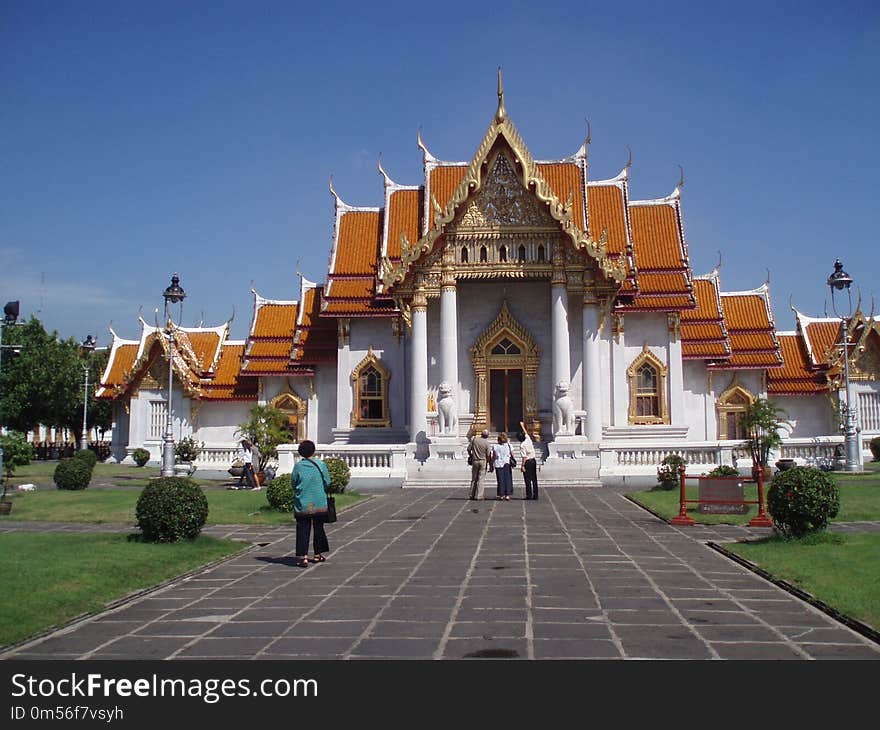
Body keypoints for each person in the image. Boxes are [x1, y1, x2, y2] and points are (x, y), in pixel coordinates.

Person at [292, 439, 330, 568]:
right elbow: (327, 482)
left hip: (303, 502)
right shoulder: (320, 464)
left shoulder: (298, 466)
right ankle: (317, 554)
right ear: (313, 451)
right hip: (318, 501)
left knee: (303, 529)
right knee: (319, 528)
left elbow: (294, 482)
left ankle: (303, 557)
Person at [467, 428, 492, 500]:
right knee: (481, 479)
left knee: (474, 478)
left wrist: (471, 455)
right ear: (487, 436)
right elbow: (488, 454)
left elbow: (468, 449)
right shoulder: (487, 443)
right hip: (483, 461)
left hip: (475, 460)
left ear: (481, 434)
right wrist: (490, 464)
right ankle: (479, 495)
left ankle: (471, 494)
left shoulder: (474, 440)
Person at [519, 420, 539, 500]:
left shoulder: (522, 445)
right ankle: (535, 494)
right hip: (533, 460)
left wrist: (522, 466)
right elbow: (526, 433)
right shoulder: (528, 440)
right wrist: (522, 426)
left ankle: (529, 494)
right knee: (534, 478)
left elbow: (524, 457)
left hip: (527, 462)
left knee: (527, 479)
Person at [492, 432, 514, 500]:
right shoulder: (509, 445)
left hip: (498, 463)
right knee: (508, 478)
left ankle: (501, 494)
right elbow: (512, 454)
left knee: (500, 479)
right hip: (506, 463)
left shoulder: (495, 447)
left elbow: (494, 456)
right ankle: (507, 494)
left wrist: (491, 462)